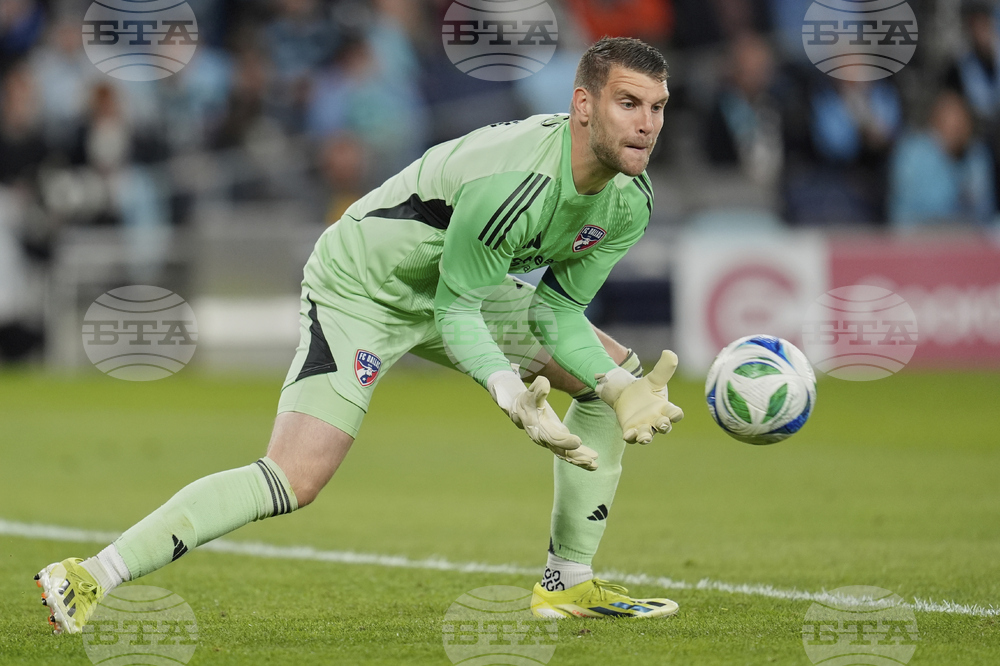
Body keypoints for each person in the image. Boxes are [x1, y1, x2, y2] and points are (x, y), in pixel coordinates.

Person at [36, 37, 685, 634]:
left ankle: (567, 583)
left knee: (612, 374)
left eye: (656, 107)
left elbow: (557, 313)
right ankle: (90, 575)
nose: (647, 124)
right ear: (582, 106)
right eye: (628, 103)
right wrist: (508, 392)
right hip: (364, 289)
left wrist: (617, 386)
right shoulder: (516, 182)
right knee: (294, 478)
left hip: (462, 285)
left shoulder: (630, 200)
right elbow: (458, 313)